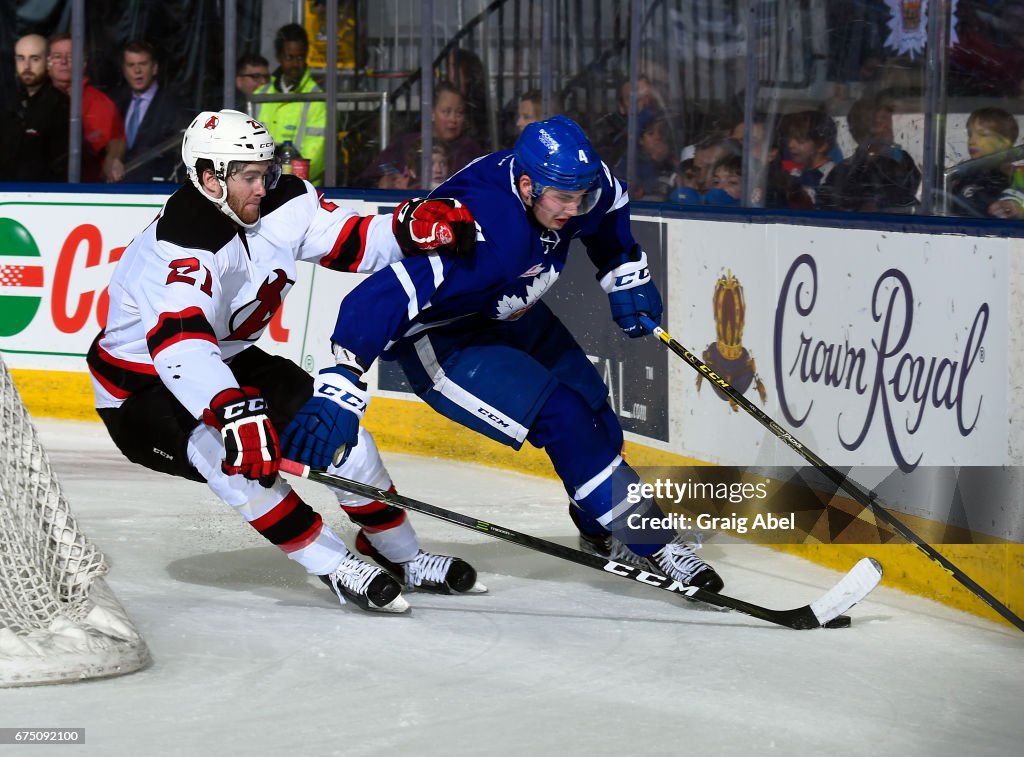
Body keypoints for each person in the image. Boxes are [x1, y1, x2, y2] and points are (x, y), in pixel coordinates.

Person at [293, 115, 725, 594]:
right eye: (562, 200)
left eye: (580, 196)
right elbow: (377, 298)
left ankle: (603, 532)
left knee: (599, 416)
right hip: (449, 341)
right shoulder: (477, 228)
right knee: (565, 418)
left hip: (511, 310)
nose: (573, 208)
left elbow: (608, 217)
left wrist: (624, 270)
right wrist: (340, 379)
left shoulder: (576, 186)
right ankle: (659, 545)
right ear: (526, 186)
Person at [86, 109, 483, 613]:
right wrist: (231, 408)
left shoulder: (283, 200)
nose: (263, 185)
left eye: (267, 171)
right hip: (140, 391)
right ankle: (336, 566)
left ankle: (403, 555)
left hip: (228, 358)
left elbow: (352, 240)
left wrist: (408, 230)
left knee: (346, 442)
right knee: (234, 463)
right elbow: (180, 346)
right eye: (250, 176)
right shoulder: (181, 243)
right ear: (210, 179)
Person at [360, 82, 484, 187]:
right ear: (431, 113)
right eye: (446, 112)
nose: (453, 119)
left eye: (459, 113)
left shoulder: (469, 149)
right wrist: (390, 181)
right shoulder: (407, 143)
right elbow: (374, 176)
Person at [818, 94, 920, 213]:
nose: (884, 126)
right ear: (855, 131)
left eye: (886, 119)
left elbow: (907, 195)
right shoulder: (843, 171)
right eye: (874, 121)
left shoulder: (903, 160)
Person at [46, 33, 125, 183]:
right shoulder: (36, 102)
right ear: (47, 63)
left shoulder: (100, 103)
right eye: (57, 56)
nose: (63, 61)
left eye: (70, 56)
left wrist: (113, 159)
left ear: (83, 63)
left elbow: (116, 142)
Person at [254, 24, 327, 185]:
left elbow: (317, 153)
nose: (295, 64)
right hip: (262, 185)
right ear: (278, 57)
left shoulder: (318, 98)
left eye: (300, 57)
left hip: (302, 188)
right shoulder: (260, 95)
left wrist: (283, 175)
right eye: (290, 57)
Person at [114, 40, 191, 183]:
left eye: (143, 64)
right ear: (124, 70)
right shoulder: (116, 102)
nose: (137, 71)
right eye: (131, 65)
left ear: (154, 68)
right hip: (119, 190)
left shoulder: (173, 105)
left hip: (156, 190)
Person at [0, 33, 69, 182]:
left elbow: (60, 168)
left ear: (48, 62)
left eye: (35, 59)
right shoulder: (11, 103)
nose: (26, 66)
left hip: (41, 197)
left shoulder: (61, 107)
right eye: (21, 58)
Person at [948, 107, 1020, 218]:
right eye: (970, 134)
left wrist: (1013, 208)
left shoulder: (1014, 177)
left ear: (1005, 143)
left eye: (983, 135)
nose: (972, 141)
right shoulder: (960, 174)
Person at [612, 107, 676, 201]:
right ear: (640, 140)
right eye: (651, 133)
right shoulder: (629, 164)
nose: (658, 137)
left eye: (661, 132)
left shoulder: (671, 163)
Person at [779, 110, 839, 208]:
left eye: (800, 140)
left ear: (822, 145)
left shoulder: (831, 175)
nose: (790, 145)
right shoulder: (795, 173)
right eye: (789, 139)